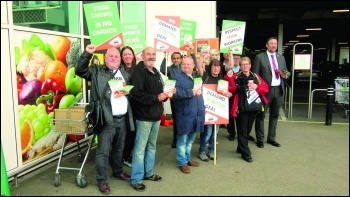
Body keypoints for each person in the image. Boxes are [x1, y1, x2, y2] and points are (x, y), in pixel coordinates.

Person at [75, 45, 135, 194]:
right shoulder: (96, 71)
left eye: (116, 56)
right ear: (105, 58)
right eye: (111, 56)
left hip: (122, 118)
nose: (114, 58)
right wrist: (87, 53)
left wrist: (128, 93)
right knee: (103, 151)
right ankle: (101, 180)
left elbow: (129, 93)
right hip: (106, 118)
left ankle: (117, 171)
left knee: (119, 148)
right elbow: (79, 70)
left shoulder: (125, 74)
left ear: (120, 59)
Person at [129, 46, 171, 192]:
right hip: (144, 117)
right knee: (140, 149)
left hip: (156, 116)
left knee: (151, 147)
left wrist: (166, 95)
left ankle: (149, 173)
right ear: (142, 56)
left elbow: (160, 93)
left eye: (153, 54)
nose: (151, 56)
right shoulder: (139, 72)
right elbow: (137, 95)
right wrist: (156, 98)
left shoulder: (156, 72)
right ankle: (136, 179)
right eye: (149, 54)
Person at [224, 56, 269, 162]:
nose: (245, 66)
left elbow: (265, 88)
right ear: (240, 66)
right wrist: (229, 77)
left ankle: (240, 147)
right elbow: (230, 87)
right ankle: (246, 153)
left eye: (246, 64)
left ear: (250, 65)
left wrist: (256, 87)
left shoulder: (256, 76)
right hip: (241, 107)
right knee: (243, 130)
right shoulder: (236, 76)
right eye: (243, 64)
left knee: (247, 129)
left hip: (253, 107)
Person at [251, 37, 290, 148]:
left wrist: (285, 74)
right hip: (265, 91)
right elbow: (255, 75)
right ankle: (260, 139)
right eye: (271, 43)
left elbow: (287, 72)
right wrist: (259, 88)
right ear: (267, 45)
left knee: (274, 115)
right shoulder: (259, 57)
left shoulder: (281, 58)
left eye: (275, 44)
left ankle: (271, 138)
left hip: (278, 90)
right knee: (261, 116)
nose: (274, 45)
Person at [160, 44, 197, 149]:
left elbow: (193, 65)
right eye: (174, 58)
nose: (176, 60)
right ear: (172, 60)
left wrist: (192, 52)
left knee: (186, 119)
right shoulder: (169, 69)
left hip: (186, 96)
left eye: (177, 58)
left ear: (181, 59)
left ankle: (185, 139)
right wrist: (165, 56)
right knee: (177, 119)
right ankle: (175, 139)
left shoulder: (184, 69)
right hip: (175, 97)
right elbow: (162, 68)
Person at [172, 56, 205, 173]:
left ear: (193, 66)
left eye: (188, 64)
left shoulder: (196, 78)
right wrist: (191, 92)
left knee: (190, 140)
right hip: (184, 115)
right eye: (184, 64)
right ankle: (182, 162)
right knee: (182, 141)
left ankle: (187, 158)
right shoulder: (177, 78)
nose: (186, 66)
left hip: (195, 114)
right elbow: (175, 94)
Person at [196, 53, 230, 161]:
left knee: (214, 134)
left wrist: (228, 94)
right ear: (210, 67)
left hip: (219, 112)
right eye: (214, 66)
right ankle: (201, 152)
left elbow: (226, 95)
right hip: (207, 111)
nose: (216, 68)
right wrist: (201, 57)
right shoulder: (206, 77)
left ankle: (211, 151)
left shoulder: (222, 81)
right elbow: (199, 67)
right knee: (208, 133)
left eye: (218, 66)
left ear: (220, 68)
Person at [120, 46, 137, 168]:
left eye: (129, 54)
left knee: (134, 132)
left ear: (133, 56)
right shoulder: (119, 71)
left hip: (137, 105)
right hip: (123, 106)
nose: (127, 56)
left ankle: (128, 155)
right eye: (125, 54)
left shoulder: (138, 70)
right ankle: (124, 156)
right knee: (126, 133)